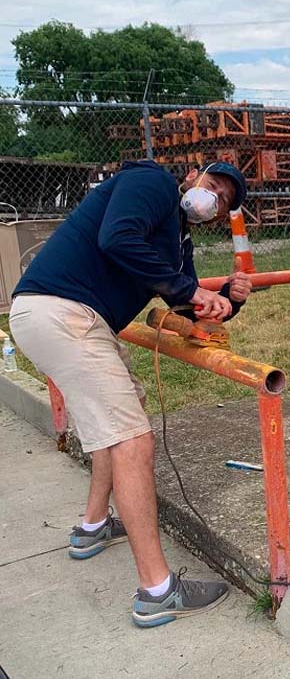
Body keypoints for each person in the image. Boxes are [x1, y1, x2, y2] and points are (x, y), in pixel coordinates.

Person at [9, 159, 253, 628]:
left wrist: (228, 296)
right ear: (192, 178)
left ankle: (93, 527)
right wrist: (189, 288)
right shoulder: (152, 181)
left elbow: (184, 304)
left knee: (122, 417)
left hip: (72, 318)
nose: (214, 198)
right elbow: (117, 238)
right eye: (214, 185)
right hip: (64, 311)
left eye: (224, 201)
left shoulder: (177, 242)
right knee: (131, 438)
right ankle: (158, 590)